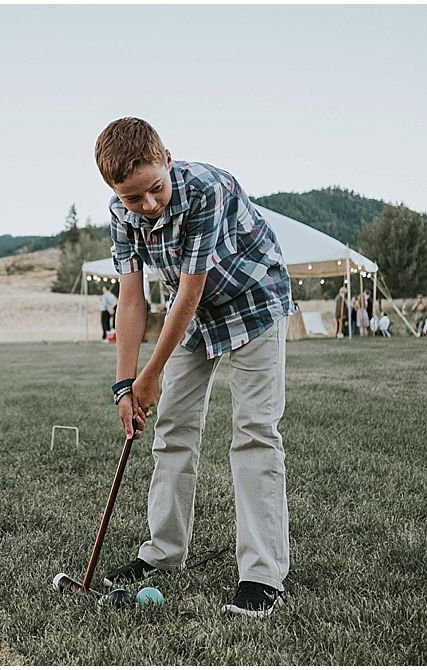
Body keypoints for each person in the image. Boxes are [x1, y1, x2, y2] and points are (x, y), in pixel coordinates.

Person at [94, 117, 293, 618]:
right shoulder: (122, 214)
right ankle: (162, 554)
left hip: (253, 298)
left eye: (154, 190)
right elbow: (132, 299)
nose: (147, 206)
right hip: (197, 317)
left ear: (167, 159)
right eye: (133, 199)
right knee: (173, 428)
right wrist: (125, 384)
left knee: (254, 430)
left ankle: (262, 575)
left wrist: (151, 374)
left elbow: (189, 288)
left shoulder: (206, 188)